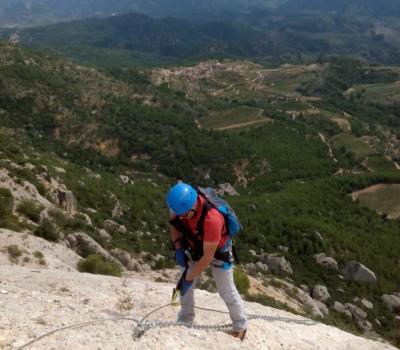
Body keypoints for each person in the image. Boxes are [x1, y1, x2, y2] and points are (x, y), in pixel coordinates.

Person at [166, 182, 247, 340]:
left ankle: (240, 325)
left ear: (194, 206)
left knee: (226, 290)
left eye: (183, 215)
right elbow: (175, 225)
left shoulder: (212, 219)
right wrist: (178, 247)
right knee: (184, 286)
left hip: (218, 251)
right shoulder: (180, 207)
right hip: (195, 245)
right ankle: (185, 319)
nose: (181, 217)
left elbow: (207, 258)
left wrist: (189, 278)